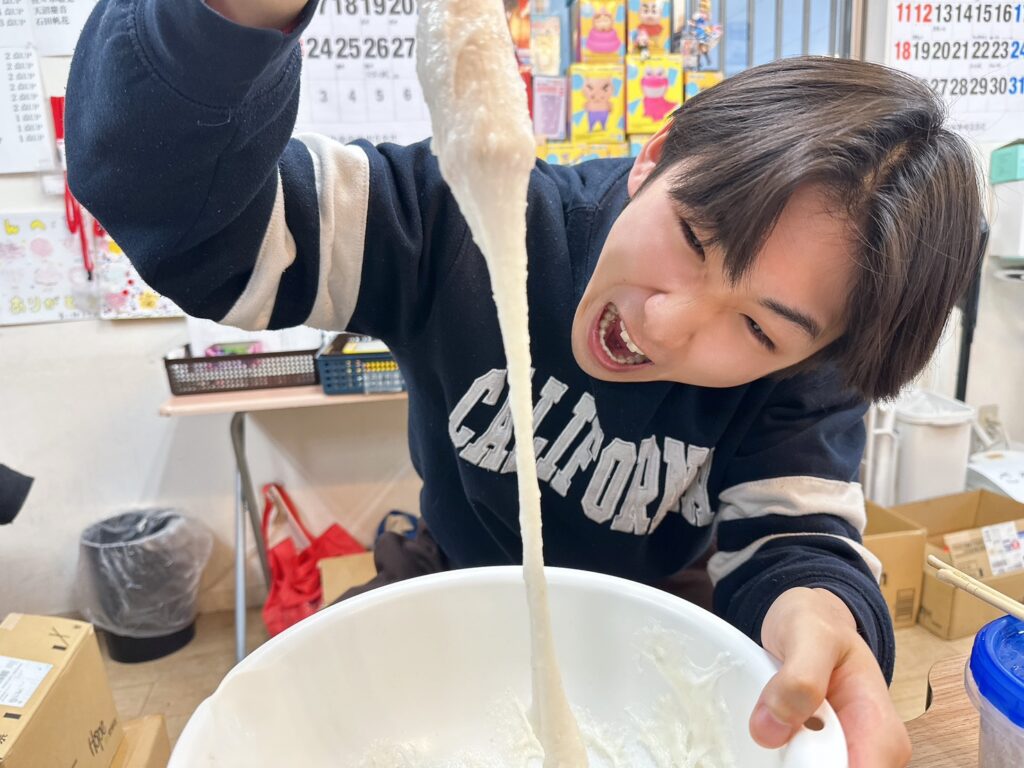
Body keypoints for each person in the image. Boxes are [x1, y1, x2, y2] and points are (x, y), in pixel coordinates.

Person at [65, 1, 984, 765]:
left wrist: (819, 618)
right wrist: (232, 14)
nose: (667, 323)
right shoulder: (465, 217)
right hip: (450, 586)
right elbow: (183, 213)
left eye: (755, 327)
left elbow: (793, 542)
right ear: (657, 155)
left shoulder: (801, 370)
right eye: (694, 238)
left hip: (660, 629)